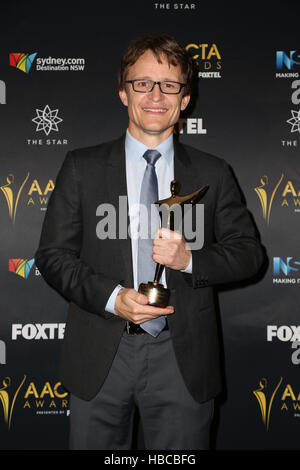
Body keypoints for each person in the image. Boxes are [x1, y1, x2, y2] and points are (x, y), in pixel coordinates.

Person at [35, 34, 264, 450]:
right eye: (143, 83)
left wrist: (190, 259)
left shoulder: (214, 172)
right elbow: (52, 256)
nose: (156, 95)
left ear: (186, 99)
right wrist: (112, 297)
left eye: (169, 85)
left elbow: (249, 255)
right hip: (100, 353)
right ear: (123, 93)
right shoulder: (81, 167)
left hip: (183, 361)